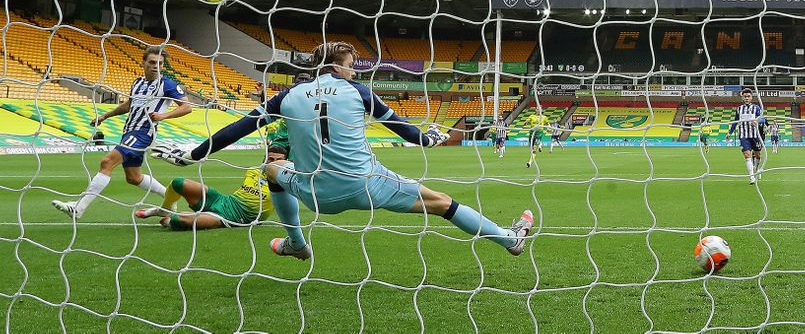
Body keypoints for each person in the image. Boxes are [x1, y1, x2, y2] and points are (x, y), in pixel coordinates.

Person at [152, 41, 533, 260]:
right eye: (352, 66)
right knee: (442, 203)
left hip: (316, 194)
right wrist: (430, 138)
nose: (355, 71)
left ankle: (297, 243)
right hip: (369, 184)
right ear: (337, 66)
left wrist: (195, 154)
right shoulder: (359, 92)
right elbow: (410, 135)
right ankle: (508, 239)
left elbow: (236, 130)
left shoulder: (286, 96)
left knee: (272, 170)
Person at [52, 46, 193, 219]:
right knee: (134, 178)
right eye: (152, 62)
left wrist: (163, 115)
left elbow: (187, 107)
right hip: (128, 132)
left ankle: (78, 208)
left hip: (143, 133)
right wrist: (105, 116)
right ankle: (170, 199)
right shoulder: (138, 83)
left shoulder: (168, 84)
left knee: (107, 162)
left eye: (160, 63)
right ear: (143, 62)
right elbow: (129, 105)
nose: (156, 66)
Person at [135, 146, 285, 230]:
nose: (273, 163)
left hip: (234, 218)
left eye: (278, 160)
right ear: (264, 158)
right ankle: (163, 209)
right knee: (178, 183)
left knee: (175, 221)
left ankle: (195, 216)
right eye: (270, 159)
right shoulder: (253, 170)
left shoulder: (284, 181)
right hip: (224, 201)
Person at [723, 88, 764, 185]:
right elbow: (735, 121)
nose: (746, 98)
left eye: (748, 96)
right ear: (742, 97)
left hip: (755, 135)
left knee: (758, 155)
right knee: (747, 155)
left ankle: (756, 168)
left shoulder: (756, 108)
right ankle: (752, 177)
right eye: (745, 96)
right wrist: (730, 133)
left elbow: (763, 119)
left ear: (751, 97)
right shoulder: (739, 109)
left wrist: (757, 121)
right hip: (743, 135)